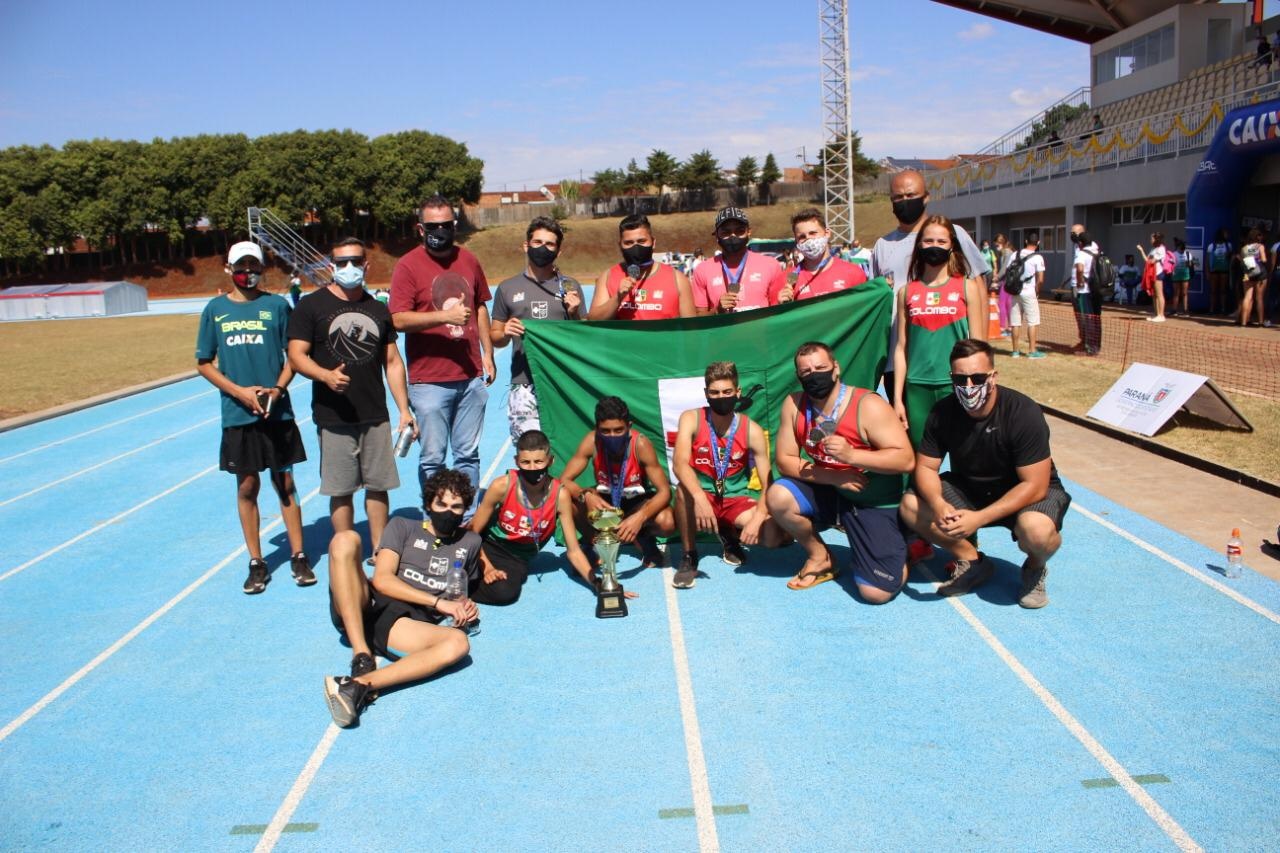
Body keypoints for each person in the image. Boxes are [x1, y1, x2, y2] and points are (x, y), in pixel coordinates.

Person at [899, 338, 1072, 609]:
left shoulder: (1023, 412)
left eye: (977, 377)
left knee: (1036, 533)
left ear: (993, 376)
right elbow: (926, 467)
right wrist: (938, 503)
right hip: (971, 489)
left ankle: (1034, 567)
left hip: (1025, 493)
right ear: (951, 378)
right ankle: (974, 562)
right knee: (911, 505)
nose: (968, 386)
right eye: (960, 379)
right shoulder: (943, 411)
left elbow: (1035, 485)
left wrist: (978, 519)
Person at [288, 237, 415, 559]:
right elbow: (296, 355)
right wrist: (325, 375)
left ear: (366, 265)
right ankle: (346, 551)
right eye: (342, 262)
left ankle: (379, 550)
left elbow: (392, 362)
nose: (349, 268)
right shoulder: (311, 306)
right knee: (341, 491)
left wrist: (404, 409)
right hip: (334, 417)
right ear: (332, 266)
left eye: (355, 261)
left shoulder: (377, 309)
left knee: (378, 487)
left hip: (375, 414)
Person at [323, 469, 480, 728]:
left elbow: (460, 589)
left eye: (456, 506)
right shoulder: (402, 526)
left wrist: (465, 605)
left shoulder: (471, 542)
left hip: (403, 623)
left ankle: (358, 685)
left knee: (458, 643)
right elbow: (382, 580)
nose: (448, 511)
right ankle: (361, 653)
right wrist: (439, 603)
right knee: (345, 539)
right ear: (429, 503)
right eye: (441, 503)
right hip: (368, 602)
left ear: (464, 510)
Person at [196, 241, 310, 595]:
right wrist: (239, 392)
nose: (248, 271)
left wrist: (277, 388)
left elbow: (294, 355)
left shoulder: (276, 306)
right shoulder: (214, 310)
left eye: (254, 265)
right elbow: (203, 362)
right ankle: (257, 561)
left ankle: (299, 554)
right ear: (229, 269)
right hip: (238, 414)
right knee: (247, 485)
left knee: (285, 484)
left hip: (277, 412)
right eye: (241, 265)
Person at [766, 342, 915, 602]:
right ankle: (820, 556)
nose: (814, 375)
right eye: (806, 371)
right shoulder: (795, 404)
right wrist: (835, 476)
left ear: (836, 368)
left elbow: (905, 459)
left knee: (875, 594)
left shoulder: (868, 405)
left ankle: (904, 540)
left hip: (873, 500)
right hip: (832, 489)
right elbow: (785, 460)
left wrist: (852, 456)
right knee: (779, 496)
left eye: (821, 368)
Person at [390, 196, 496, 502]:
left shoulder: (469, 260)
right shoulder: (408, 265)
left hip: (470, 377)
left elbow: (479, 308)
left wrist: (487, 353)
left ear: (455, 225)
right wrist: (444, 317)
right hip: (429, 381)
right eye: (433, 226)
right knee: (433, 458)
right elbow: (398, 319)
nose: (441, 230)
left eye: (447, 225)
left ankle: (468, 519)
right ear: (420, 229)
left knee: (468, 456)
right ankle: (435, 521)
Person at [871, 169, 989, 402]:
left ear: (926, 197)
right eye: (898, 197)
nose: (905, 201)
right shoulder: (882, 245)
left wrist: (982, 355)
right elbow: (876, 300)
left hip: (949, 356)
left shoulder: (954, 234)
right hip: (902, 359)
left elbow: (980, 292)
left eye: (911, 195)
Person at [670, 361, 786, 588]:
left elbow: (768, 483)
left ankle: (728, 531)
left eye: (726, 392)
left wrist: (759, 519)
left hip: (735, 498)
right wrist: (701, 498)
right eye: (714, 392)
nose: (720, 397)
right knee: (684, 490)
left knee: (772, 537)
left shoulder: (751, 429)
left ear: (738, 392)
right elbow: (679, 464)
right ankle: (689, 555)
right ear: (706, 394)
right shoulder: (691, 418)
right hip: (701, 495)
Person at [467, 429, 612, 605]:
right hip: (487, 545)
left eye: (538, 462)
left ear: (550, 461)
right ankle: (449, 588)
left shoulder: (560, 495)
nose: (532, 468)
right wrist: (487, 567)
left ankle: (459, 582)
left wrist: (598, 584)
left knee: (505, 593)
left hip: (517, 558)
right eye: (525, 462)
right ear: (516, 461)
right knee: (455, 563)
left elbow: (573, 551)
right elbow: (472, 532)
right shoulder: (502, 486)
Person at [891, 215, 988, 448]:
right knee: (920, 456)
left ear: (952, 246)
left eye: (941, 242)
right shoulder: (907, 292)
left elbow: (979, 345)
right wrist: (897, 398)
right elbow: (901, 348)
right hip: (917, 386)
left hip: (957, 386)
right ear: (919, 245)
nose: (935, 246)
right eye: (928, 241)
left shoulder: (967, 286)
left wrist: (978, 387)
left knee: (964, 454)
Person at [490, 216, 584, 441]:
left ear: (558, 251)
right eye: (537, 242)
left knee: (565, 445)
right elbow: (495, 336)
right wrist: (505, 332)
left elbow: (582, 337)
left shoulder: (570, 287)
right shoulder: (507, 288)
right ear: (526, 245)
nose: (543, 248)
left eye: (550, 244)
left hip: (562, 380)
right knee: (530, 453)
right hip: (524, 382)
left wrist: (574, 314)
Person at [559, 396, 677, 569]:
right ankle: (594, 543)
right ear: (597, 429)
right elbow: (564, 480)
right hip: (604, 503)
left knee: (666, 521)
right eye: (605, 431)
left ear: (629, 426)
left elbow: (664, 492)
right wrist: (585, 495)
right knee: (568, 501)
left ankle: (643, 536)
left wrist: (640, 517)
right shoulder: (592, 441)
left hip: (636, 502)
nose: (612, 436)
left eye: (618, 430)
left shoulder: (640, 445)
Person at [588, 214, 696, 321]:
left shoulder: (677, 279)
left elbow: (691, 329)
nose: (636, 247)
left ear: (653, 243)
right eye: (628, 243)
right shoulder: (608, 276)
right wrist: (618, 297)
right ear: (620, 245)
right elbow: (593, 321)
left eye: (641, 241)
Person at [689, 207, 785, 314]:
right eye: (726, 232)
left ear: (749, 232)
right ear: (716, 235)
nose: (733, 236)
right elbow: (698, 316)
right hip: (723, 330)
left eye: (739, 231)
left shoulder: (771, 265)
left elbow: (779, 311)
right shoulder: (702, 270)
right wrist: (717, 311)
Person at [771, 208, 868, 304]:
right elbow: (775, 317)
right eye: (802, 237)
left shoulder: (853, 273)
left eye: (813, 233)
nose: (808, 239)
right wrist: (781, 306)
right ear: (796, 241)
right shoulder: (786, 279)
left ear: (827, 233)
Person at [1008, 232, 1046, 359]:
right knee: (1032, 322)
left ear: (1025, 241)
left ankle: (1015, 351)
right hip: (1029, 291)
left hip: (1015, 291)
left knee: (1015, 322)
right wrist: (1037, 291)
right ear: (1038, 243)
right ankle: (1032, 351)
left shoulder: (1015, 254)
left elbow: (1008, 271)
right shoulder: (1038, 257)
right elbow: (1040, 279)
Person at [1071, 225, 1104, 351]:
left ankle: (1091, 347)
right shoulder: (1096, 251)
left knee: (1087, 317)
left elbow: (1080, 268)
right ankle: (1094, 344)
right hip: (1096, 289)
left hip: (1085, 290)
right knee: (1095, 317)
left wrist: (1080, 282)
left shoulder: (1082, 253)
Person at [1239, 228, 1270, 327]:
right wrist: (1259, 259)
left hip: (1247, 273)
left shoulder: (1244, 248)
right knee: (1259, 298)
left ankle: (1244, 322)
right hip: (1260, 273)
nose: (1262, 237)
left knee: (1247, 297)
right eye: (1260, 235)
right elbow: (1264, 260)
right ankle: (1260, 322)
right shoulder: (1260, 246)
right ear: (1257, 236)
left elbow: (1241, 260)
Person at [1139, 231, 1169, 323]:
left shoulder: (1161, 249)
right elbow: (1147, 260)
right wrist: (1141, 251)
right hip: (1151, 274)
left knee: (1159, 294)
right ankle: (1156, 314)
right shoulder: (1153, 249)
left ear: (1156, 239)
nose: (1150, 240)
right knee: (1154, 295)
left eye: (1152, 238)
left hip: (1158, 273)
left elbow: (1152, 261)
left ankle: (1161, 315)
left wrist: (1144, 253)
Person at [1206, 229, 1234, 316]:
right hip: (1214, 271)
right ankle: (1211, 310)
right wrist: (1207, 272)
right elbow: (1207, 260)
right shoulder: (1211, 246)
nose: (1227, 235)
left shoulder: (1228, 245)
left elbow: (1232, 257)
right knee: (1213, 291)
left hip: (1224, 270)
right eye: (1225, 233)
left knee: (1223, 290)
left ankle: (1223, 309)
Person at [993, 234, 1013, 337]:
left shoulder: (1007, 253)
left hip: (1007, 282)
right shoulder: (1005, 253)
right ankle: (1009, 327)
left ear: (1002, 243)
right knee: (1007, 304)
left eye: (997, 245)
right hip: (1006, 281)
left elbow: (1004, 268)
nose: (997, 247)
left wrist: (997, 277)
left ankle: (1003, 327)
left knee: (1003, 304)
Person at [1170, 237, 1193, 317]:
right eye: (1182, 246)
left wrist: (1187, 263)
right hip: (1176, 276)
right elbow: (1171, 266)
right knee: (1176, 293)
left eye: (1184, 246)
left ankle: (1185, 311)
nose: (1183, 248)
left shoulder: (1188, 254)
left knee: (1184, 293)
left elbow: (1189, 265)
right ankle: (1174, 310)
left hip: (1185, 276)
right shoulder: (1173, 254)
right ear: (1178, 246)